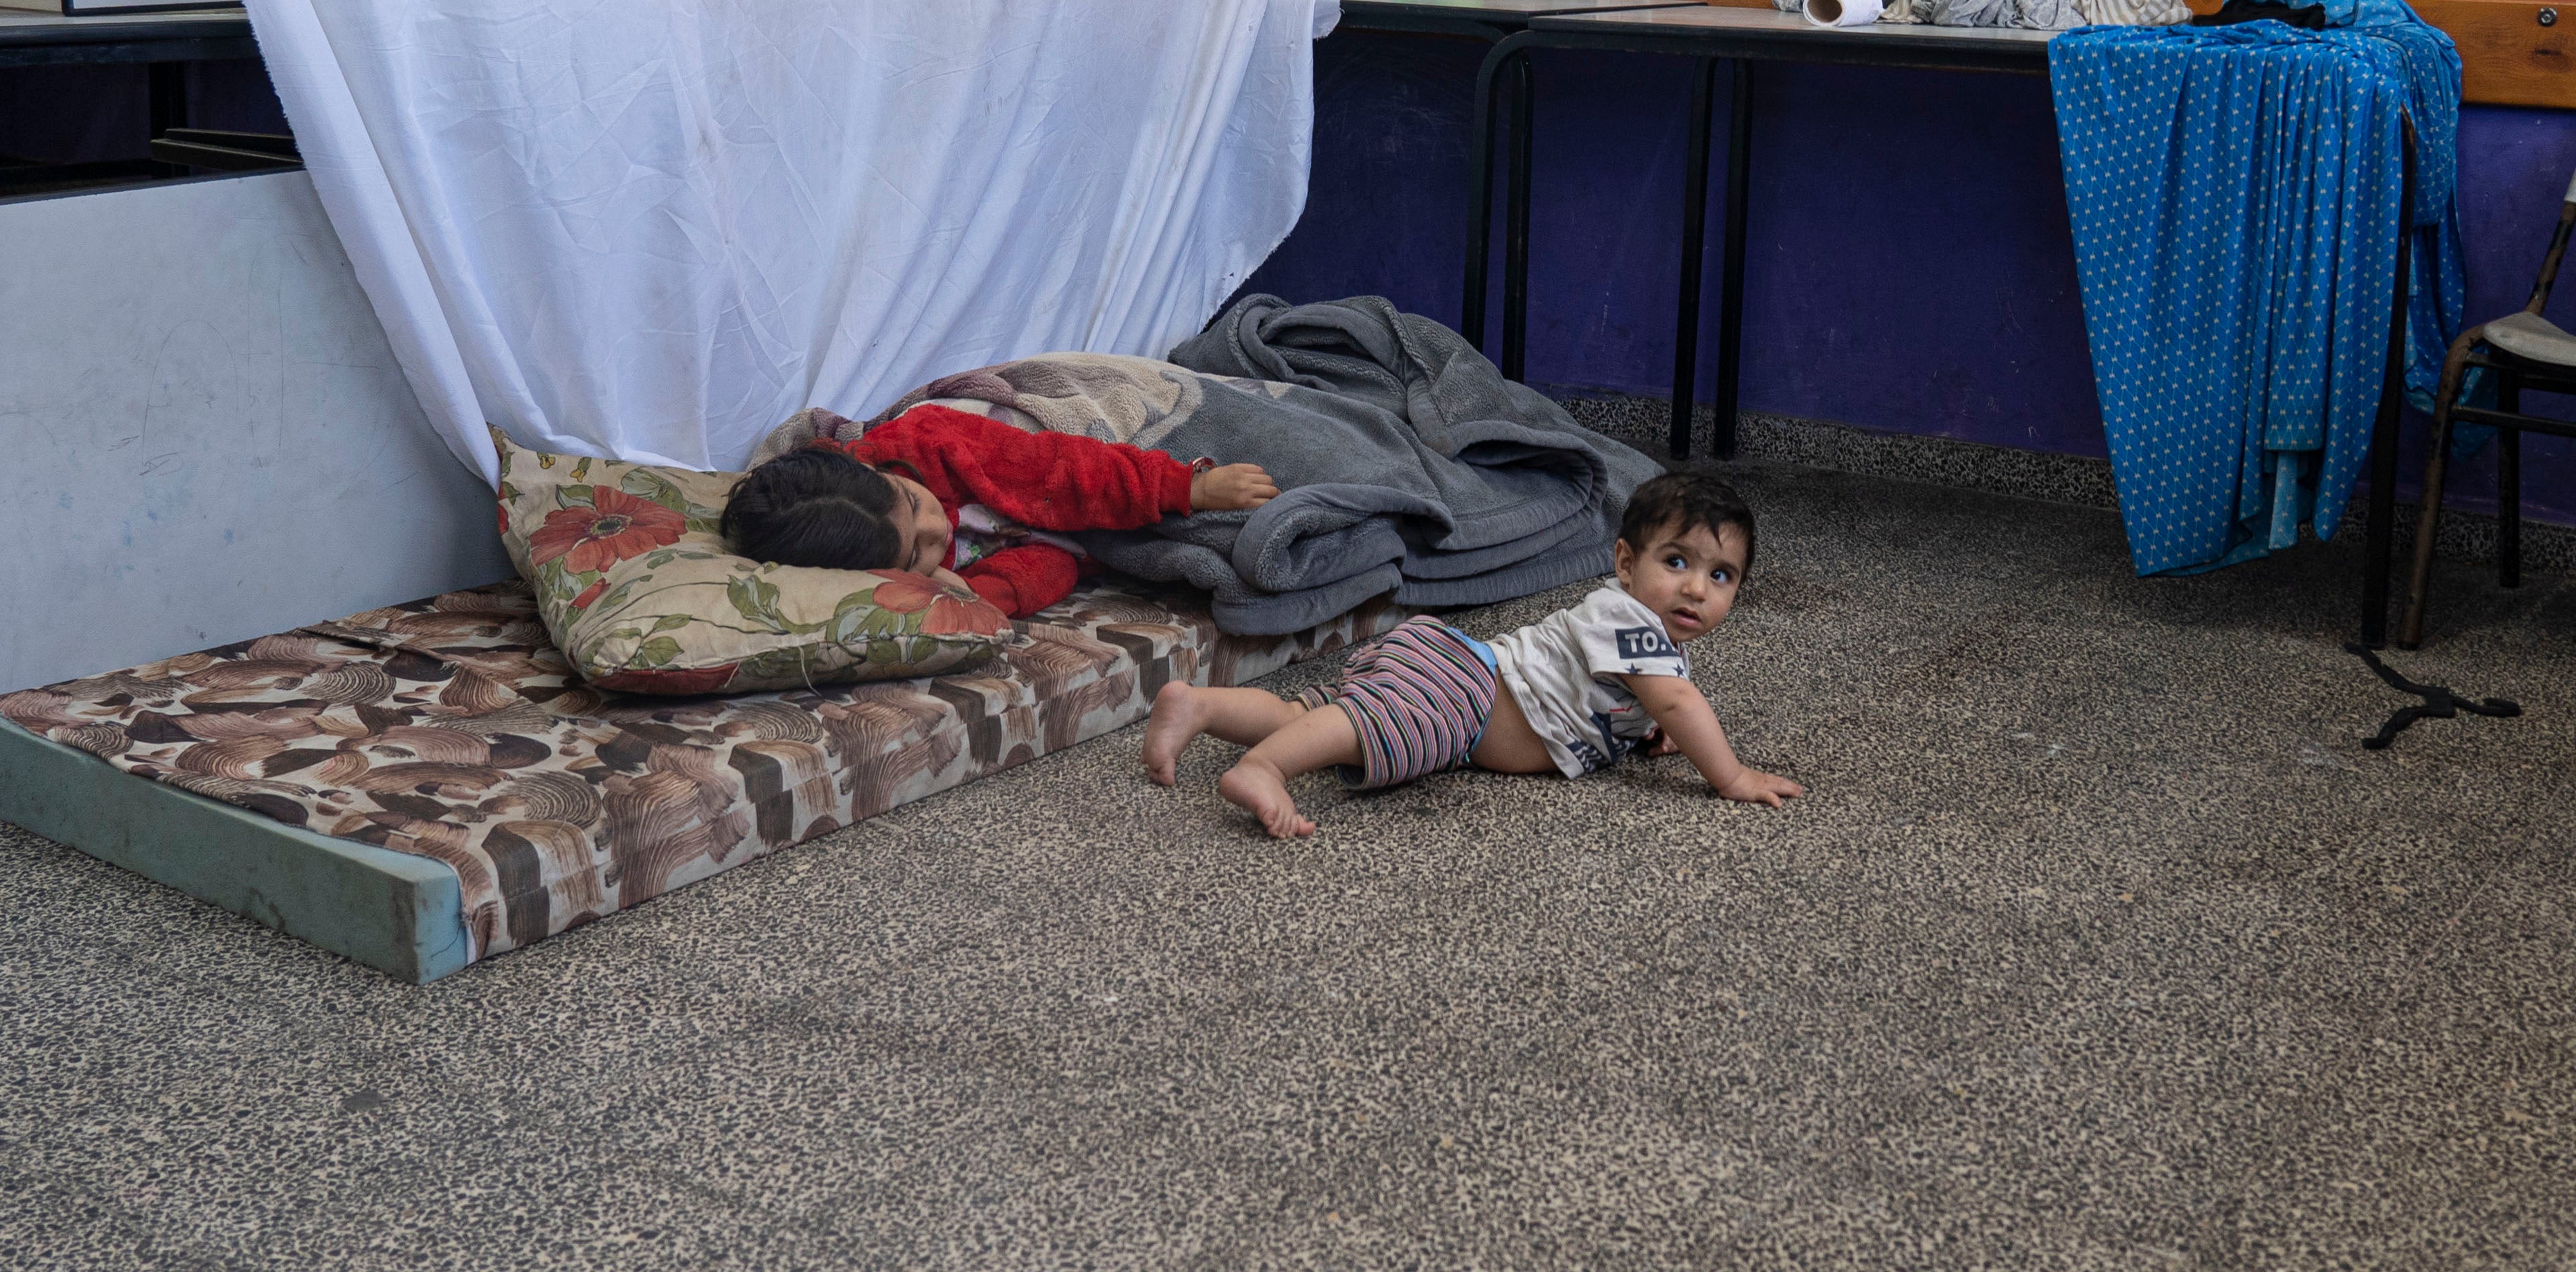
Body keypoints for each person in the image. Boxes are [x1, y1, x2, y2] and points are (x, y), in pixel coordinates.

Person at [1141, 472, 1801, 837]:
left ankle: (1200, 706)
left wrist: (1642, 731)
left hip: (1459, 681)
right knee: (1369, 727)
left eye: (1721, 576)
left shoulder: (1645, 640)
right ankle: (1262, 767)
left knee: (1311, 713)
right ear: (1626, 563)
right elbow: (1677, 698)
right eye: (1677, 561)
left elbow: (1645, 700)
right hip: (1466, 690)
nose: (1695, 587)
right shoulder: (1626, 619)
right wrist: (1733, 776)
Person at [719, 403, 1277, 619]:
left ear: (877, 471)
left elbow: (1061, 466)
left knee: (1259, 487)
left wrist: (1185, 486)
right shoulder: (887, 576)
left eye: (914, 503)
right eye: (918, 550)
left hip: (1104, 464)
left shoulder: (930, 439)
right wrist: (972, 595)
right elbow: (1046, 568)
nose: (937, 528)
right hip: (1075, 542)